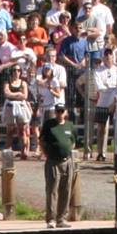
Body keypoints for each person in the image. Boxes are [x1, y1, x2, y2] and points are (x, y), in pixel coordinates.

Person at [39, 97, 76, 227]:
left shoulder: (70, 125)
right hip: (53, 161)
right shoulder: (49, 125)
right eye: (57, 111)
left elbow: (73, 141)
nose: (59, 113)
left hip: (67, 161)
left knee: (66, 190)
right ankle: (51, 218)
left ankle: (61, 218)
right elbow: (42, 141)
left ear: (65, 112)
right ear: (55, 112)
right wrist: (46, 153)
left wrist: (67, 151)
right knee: (52, 190)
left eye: (61, 111)